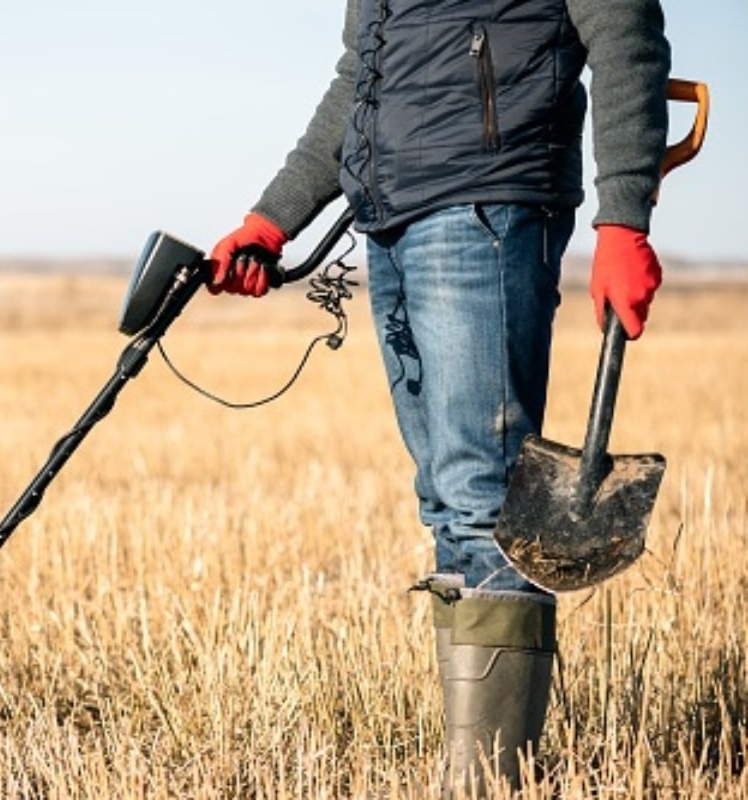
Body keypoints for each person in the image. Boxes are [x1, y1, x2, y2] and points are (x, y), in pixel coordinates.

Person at [206, 0, 670, 795]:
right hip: (389, 218)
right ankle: (479, 765)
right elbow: (361, 77)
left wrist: (623, 216)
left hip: (487, 203)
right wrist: (271, 218)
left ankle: (486, 782)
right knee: (447, 499)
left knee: (481, 500)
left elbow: (627, 31)